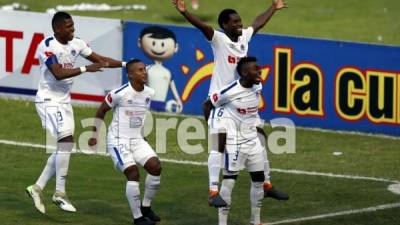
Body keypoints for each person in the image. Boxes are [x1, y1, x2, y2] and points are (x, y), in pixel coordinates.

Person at [172, 0, 289, 206]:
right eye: (234, 22)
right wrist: (184, 12)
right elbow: (204, 27)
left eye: (239, 21)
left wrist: (274, 8)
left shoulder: (244, 36)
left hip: (242, 99)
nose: (239, 25)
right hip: (222, 102)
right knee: (219, 144)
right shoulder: (218, 39)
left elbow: (258, 23)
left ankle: (267, 185)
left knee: (260, 139)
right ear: (224, 25)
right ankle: (212, 191)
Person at [26, 11, 126, 214]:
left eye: (73, 26)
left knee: (65, 147)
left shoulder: (77, 43)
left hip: (64, 102)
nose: (73, 29)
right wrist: (85, 69)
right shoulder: (47, 46)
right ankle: (59, 194)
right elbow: (58, 73)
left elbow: (101, 60)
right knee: (67, 141)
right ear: (58, 29)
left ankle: (37, 188)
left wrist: (127, 64)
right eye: (69, 27)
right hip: (48, 100)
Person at [88, 59, 161, 225]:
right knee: (133, 173)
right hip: (118, 140)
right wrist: (94, 135)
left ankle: (146, 207)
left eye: (144, 69)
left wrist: (142, 134)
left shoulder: (149, 92)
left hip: (137, 139)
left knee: (155, 167)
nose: (144, 72)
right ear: (130, 74)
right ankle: (138, 218)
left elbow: (139, 116)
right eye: (140, 70)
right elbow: (101, 111)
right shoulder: (119, 93)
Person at [203, 57, 269, 225]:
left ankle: (256, 221)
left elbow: (251, 111)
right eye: (256, 69)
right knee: (230, 181)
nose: (260, 72)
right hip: (234, 142)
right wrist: (213, 126)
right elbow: (208, 105)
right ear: (245, 73)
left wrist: (257, 127)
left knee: (259, 179)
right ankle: (222, 222)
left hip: (251, 140)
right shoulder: (230, 91)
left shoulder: (257, 86)